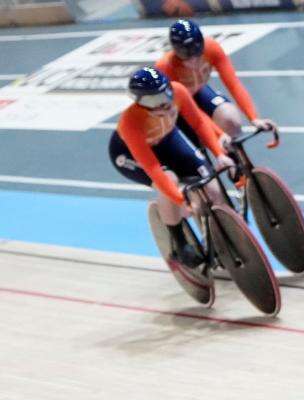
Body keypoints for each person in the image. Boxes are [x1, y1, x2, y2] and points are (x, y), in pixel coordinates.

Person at [108, 66, 234, 268]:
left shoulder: (178, 91)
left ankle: (225, 240)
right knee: (171, 181)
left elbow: (199, 123)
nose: (161, 103)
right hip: (130, 155)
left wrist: (219, 154)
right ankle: (180, 244)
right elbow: (153, 168)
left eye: (164, 94)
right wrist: (179, 199)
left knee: (212, 188)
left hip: (166, 139)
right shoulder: (130, 122)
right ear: (139, 102)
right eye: (152, 101)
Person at [155, 19, 274, 140]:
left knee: (230, 119)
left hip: (197, 92)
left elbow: (233, 84)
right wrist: (219, 134)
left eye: (197, 55)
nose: (193, 61)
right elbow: (190, 110)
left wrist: (254, 118)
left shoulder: (211, 48)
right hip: (176, 108)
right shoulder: (166, 67)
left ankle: (236, 155)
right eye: (186, 57)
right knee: (198, 144)